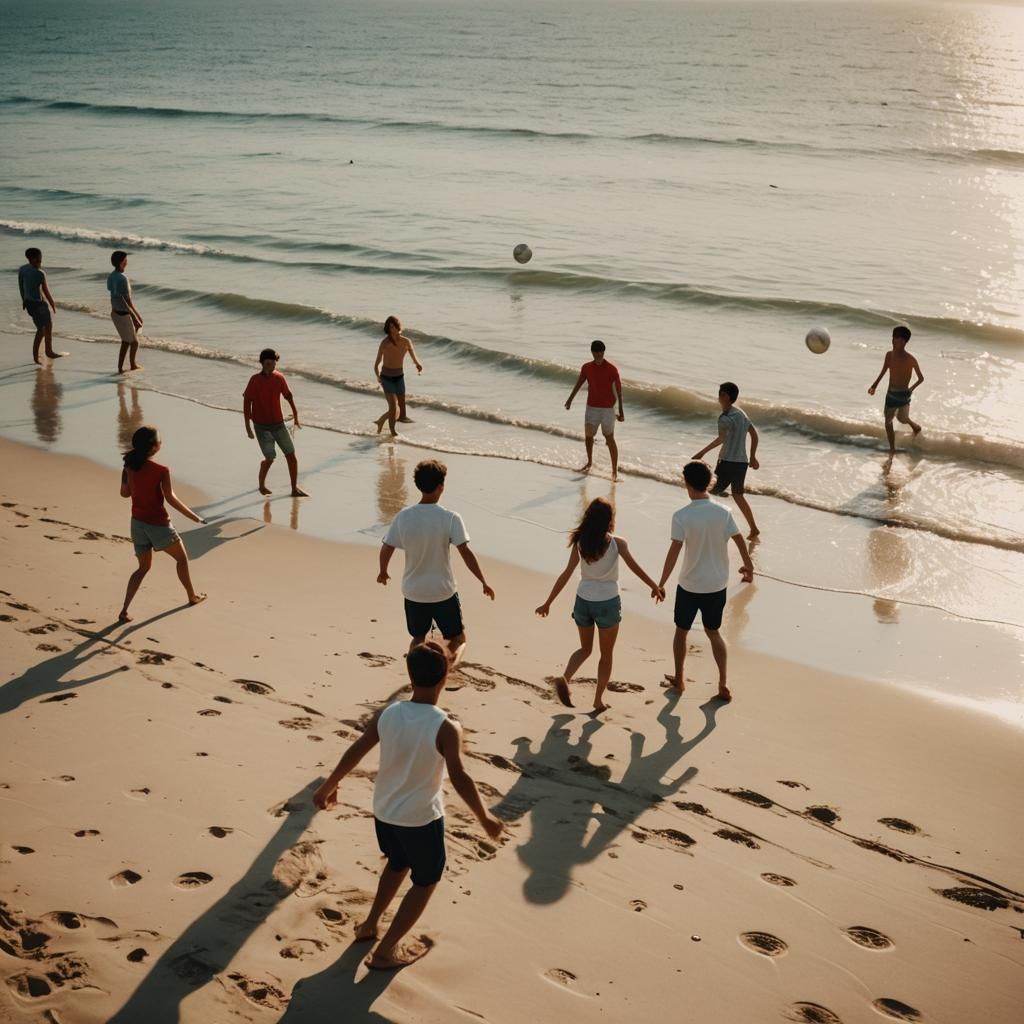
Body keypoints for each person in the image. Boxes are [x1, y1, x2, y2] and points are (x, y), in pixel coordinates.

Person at [313, 641, 503, 970]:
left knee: (398, 863)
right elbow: (459, 776)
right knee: (426, 879)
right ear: (447, 676)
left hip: (385, 813)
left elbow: (355, 751)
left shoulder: (388, 713)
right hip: (420, 820)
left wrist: (329, 785)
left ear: (409, 674)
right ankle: (386, 951)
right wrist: (484, 817)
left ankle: (370, 925)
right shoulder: (446, 726)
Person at [535, 497, 663, 712]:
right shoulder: (617, 543)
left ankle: (565, 677)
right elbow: (634, 567)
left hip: (583, 601)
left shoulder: (580, 543)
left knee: (585, 649)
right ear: (609, 520)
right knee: (606, 654)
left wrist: (548, 602)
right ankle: (597, 701)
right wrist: (654, 585)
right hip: (607, 603)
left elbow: (566, 574)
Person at [378, 459, 494, 662]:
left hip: (413, 591)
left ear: (418, 485)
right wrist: (483, 581)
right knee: (458, 638)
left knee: (418, 637)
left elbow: (387, 547)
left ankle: (415, 673)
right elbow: (465, 552)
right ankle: (448, 667)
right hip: (442, 592)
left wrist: (383, 571)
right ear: (441, 486)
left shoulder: (404, 516)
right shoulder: (450, 518)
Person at [657, 460, 754, 702]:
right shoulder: (724, 512)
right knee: (714, 632)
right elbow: (739, 538)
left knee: (681, 631)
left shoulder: (681, 516)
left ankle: (679, 680)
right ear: (710, 483)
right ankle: (723, 683)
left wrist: (661, 581)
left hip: (689, 584)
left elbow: (674, 550)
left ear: (686, 483)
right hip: (716, 585)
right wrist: (748, 564)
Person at [118, 426, 206, 622]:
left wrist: (128, 477)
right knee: (182, 560)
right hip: (158, 524)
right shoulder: (161, 471)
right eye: (160, 441)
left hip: (137, 524)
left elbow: (125, 493)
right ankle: (192, 596)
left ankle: (124, 610)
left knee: (142, 569)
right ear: (154, 447)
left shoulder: (129, 466)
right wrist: (195, 517)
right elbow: (171, 499)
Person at [693, 381, 760, 539]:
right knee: (737, 495)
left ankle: (709, 524)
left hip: (728, 462)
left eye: (723, 394)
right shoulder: (742, 413)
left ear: (729, 398)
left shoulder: (724, 418)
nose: (720, 397)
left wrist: (701, 453)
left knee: (708, 490)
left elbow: (720, 439)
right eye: (720, 394)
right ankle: (754, 529)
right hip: (741, 462)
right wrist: (752, 456)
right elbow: (754, 434)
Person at [243, 349, 309, 497]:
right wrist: (248, 427)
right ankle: (261, 485)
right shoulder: (254, 380)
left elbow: (288, 396)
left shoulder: (279, 378)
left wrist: (296, 415)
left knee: (290, 454)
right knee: (270, 458)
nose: (271, 367)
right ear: (262, 363)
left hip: (278, 424)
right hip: (261, 426)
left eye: (273, 364)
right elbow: (247, 402)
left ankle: (294, 488)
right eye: (268, 364)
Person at [564, 340, 624, 480]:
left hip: (608, 410)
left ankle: (614, 471)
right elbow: (579, 383)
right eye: (596, 352)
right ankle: (589, 462)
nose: (598, 355)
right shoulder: (586, 368)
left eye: (600, 353)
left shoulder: (612, 369)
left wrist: (621, 412)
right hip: (591, 408)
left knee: (609, 439)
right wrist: (570, 399)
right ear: (592, 352)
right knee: (588, 437)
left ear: (604, 352)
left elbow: (619, 392)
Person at [868, 326, 923, 452]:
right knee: (888, 421)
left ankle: (915, 426)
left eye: (900, 341)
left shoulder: (910, 359)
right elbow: (883, 371)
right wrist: (874, 386)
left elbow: (921, 378)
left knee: (902, 419)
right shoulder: (889, 355)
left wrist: (911, 389)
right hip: (891, 394)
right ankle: (892, 448)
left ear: (905, 342)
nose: (896, 343)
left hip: (904, 395)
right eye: (894, 339)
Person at [374, 316, 422, 436]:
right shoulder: (385, 343)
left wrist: (418, 364)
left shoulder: (406, 341)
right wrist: (377, 375)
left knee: (398, 410)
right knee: (393, 407)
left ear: (398, 326)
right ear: (387, 329)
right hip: (386, 377)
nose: (392, 329)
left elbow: (413, 356)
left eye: (394, 326)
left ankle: (380, 421)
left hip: (399, 377)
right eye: (390, 327)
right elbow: (377, 363)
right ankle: (393, 432)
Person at [18, 248, 60, 364]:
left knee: (49, 324)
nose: (40, 262)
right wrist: (52, 303)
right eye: (38, 260)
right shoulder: (36, 272)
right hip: (35, 304)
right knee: (41, 330)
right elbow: (44, 290)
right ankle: (37, 356)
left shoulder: (24, 270)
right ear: (31, 259)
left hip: (37, 303)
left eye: (40, 260)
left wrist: (24, 300)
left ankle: (48, 350)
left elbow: (23, 286)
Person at [107, 250, 144, 374]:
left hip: (115, 312)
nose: (127, 261)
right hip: (123, 313)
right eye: (126, 260)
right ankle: (132, 365)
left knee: (126, 340)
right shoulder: (122, 278)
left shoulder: (111, 276)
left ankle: (120, 368)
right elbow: (126, 300)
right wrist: (135, 316)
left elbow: (113, 295)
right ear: (122, 262)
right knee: (133, 342)